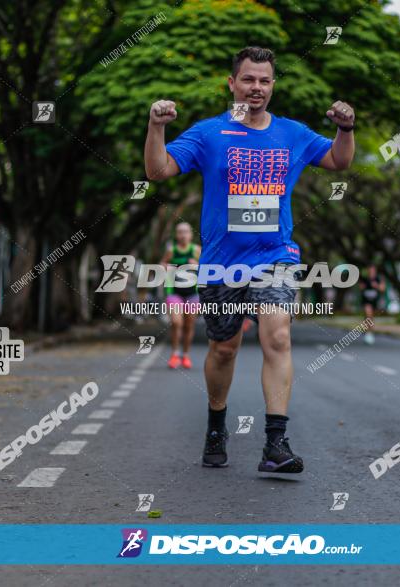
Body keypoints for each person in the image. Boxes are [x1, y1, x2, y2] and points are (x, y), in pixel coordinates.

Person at [144, 46, 355, 473]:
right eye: (248, 79)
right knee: (224, 348)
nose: (256, 88)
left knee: (277, 337)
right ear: (232, 83)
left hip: (275, 255)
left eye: (264, 80)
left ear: (273, 85)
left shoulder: (292, 133)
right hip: (222, 261)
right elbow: (158, 171)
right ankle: (216, 426)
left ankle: (275, 444)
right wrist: (155, 127)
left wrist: (346, 129)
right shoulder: (208, 134)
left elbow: (338, 160)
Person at [160, 222, 201, 369]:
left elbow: (208, 268)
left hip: (192, 293)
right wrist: (166, 266)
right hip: (174, 292)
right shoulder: (172, 251)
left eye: (186, 232)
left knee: (189, 326)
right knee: (177, 323)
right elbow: (162, 264)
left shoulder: (196, 250)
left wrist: (197, 265)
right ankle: (175, 354)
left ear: (190, 234)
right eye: (180, 232)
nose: (183, 235)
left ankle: (186, 355)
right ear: (176, 235)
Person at [359, 264, 385, 344]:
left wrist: (376, 286)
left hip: (374, 301)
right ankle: (368, 333)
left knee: (370, 318)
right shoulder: (364, 279)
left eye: (372, 270)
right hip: (366, 300)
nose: (371, 272)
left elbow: (382, 289)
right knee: (368, 314)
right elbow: (360, 287)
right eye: (370, 270)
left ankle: (369, 332)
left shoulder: (378, 279)